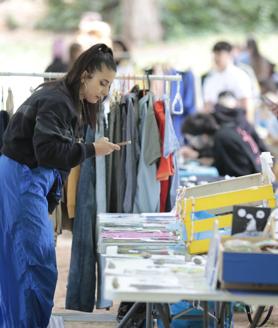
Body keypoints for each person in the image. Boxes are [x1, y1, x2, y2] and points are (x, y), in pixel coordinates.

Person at [0, 43, 120, 328]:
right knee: (35, 264)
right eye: (102, 82)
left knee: (19, 261)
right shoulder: (58, 100)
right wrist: (92, 149)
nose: (104, 91)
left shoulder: (70, 101)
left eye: (109, 86)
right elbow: (49, 152)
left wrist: (50, 201)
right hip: (22, 179)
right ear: (85, 74)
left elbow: (55, 157)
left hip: (24, 180)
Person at [181, 92, 266, 177]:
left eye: (191, 139)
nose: (192, 143)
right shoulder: (226, 130)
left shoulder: (221, 138)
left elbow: (235, 171)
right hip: (258, 174)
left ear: (203, 135)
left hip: (254, 181)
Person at [203, 41, 253, 122]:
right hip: (216, 122)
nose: (216, 58)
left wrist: (247, 127)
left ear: (229, 55)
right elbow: (207, 105)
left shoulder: (240, 76)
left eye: (219, 54)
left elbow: (246, 104)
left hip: (235, 120)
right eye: (215, 54)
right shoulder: (210, 78)